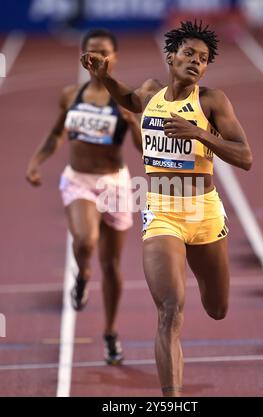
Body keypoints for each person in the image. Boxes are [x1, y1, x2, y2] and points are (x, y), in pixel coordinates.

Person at [81, 20, 252, 396]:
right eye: (189, 53)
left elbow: (245, 157)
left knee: (217, 308)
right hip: (160, 209)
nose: (195, 62)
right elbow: (130, 101)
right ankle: (171, 400)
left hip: (203, 211)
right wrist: (106, 78)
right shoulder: (151, 92)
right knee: (170, 311)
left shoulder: (212, 101)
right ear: (171, 55)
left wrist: (200, 134)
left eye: (203, 59)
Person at [26, 28, 142, 365]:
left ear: (114, 57)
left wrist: (132, 122)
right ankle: (81, 274)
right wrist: (36, 163)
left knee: (113, 265)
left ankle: (110, 332)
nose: (96, 56)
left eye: (103, 51)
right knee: (86, 240)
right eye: (91, 50)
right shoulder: (70, 95)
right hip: (78, 180)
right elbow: (55, 134)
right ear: (83, 54)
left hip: (115, 185)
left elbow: (141, 147)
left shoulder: (124, 98)